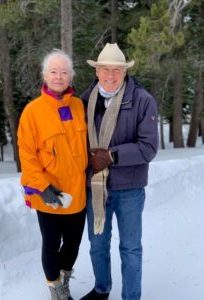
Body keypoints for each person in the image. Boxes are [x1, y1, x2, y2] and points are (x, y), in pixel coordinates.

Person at [80, 43, 158, 300]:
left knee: (130, 248)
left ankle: (131, 296)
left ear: (125, 72)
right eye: (105, 69)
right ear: (97, 71)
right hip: (96, 188)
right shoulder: (85, 101)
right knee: (97, 246)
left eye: (117, 70)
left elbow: (148, 148)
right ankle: (102, 288)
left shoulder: (142, 100)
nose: (111, 76)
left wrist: (112, 156)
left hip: (129, 189)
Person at [17, 49, 88, 300]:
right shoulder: (32, 111)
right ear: (45, 75)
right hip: (49, 195)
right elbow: (27, 155)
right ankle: (56, 291)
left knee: (72, 246)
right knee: (51, 245)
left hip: (77, 193)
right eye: (54, 71)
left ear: (71, 76)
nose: (59, 76)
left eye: (64, 72)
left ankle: (65, 280)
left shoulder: (80, 106)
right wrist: (43, 187)